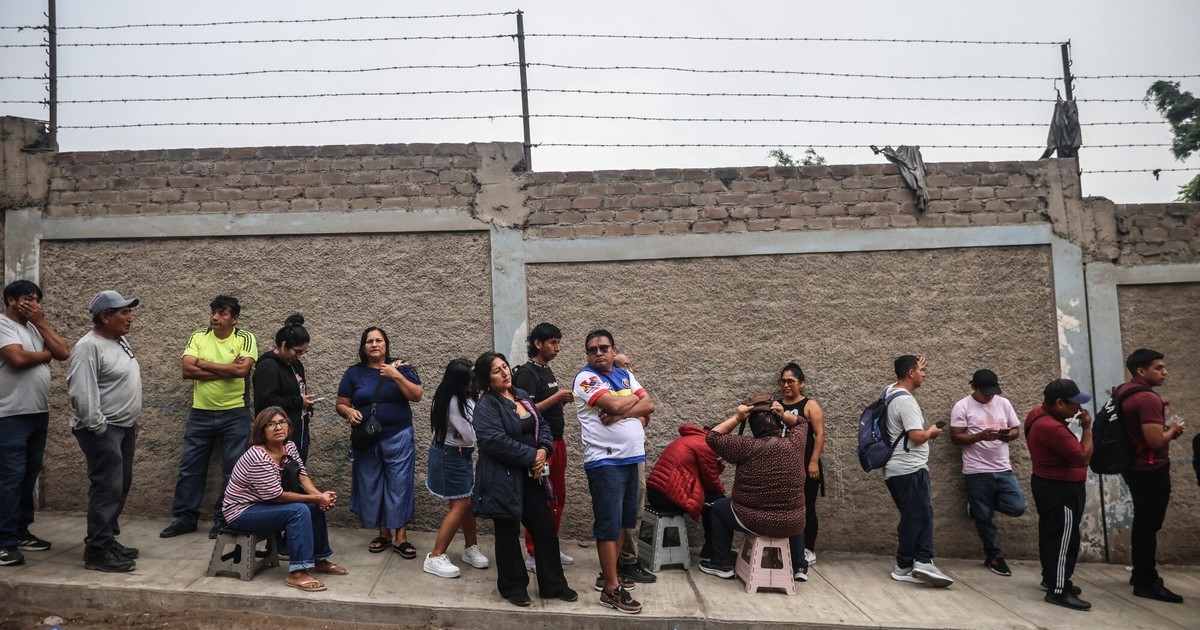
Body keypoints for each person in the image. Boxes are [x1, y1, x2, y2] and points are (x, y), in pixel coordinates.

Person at [472, 352, 576, 607]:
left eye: (505, 366)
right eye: (496, 371)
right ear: (487, 378)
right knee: (507, 534)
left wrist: (543, 450)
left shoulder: (521, 395)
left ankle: (553, 585)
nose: (504, 373)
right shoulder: (487, 405)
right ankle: (513, 587)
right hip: (502, 479)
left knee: (545, 529)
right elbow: (495, 442)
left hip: (531, 478)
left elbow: (543, 425)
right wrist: (532, 456)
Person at [161, 295, 258, 540]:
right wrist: (228, 370)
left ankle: (224, 519)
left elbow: (242, 370)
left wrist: (203, 364)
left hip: (235, 413)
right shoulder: (198, 336)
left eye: (222, 313)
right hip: (200, 412)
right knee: (190, 467)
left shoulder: (245, 338)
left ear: (234, 319)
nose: (215, 317)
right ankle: (185, 518)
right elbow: (187, 370)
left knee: (233, 470)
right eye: (213, 312)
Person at [573, 330, 655, 614]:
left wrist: (622, 413)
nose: (598, 353)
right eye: (592, 349)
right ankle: (610, 590)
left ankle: (609, 576)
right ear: (587, 354)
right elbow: (616, 403)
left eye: (604, 348)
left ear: (613, 349)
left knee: (622, 524)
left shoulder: (624, 374)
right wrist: (630, 402)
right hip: (605, 463)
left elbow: (649, 405)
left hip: (631, 459)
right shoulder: (586, 378)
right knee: (608, 527)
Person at [223, 407, 346, 592]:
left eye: (282, 422)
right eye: (271, 424)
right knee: (299, 510)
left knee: (312, 506)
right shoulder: (258, 456)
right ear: (261, 430)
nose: (278, 427)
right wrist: (317, 498)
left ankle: (319, 560)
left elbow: (302, 476)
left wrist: (320, 497)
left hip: (263, 504)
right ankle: (297, 573)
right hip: (242, 512)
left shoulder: (289, 447)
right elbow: (277, 496)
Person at [68, 291, 142, 572]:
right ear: (105, 317)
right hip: (102, 429)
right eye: (124, 312)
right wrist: (99, 428)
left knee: (120, 485)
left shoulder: (119, 340)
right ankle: (97, 551)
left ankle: (107, 539)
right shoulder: (88, 347)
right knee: (106, 488)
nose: (130, 318)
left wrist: (131, 419)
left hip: (123, 427)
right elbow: (82, 394)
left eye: (129, 312)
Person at [699, 395, 809, 581]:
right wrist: (783, 415)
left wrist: (737, 418)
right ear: (777, 421)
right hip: (793, 523)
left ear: (752, 425)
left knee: (718, 507)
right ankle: (799, 565)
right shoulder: (795, 443)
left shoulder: (744, 446)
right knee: (793, 509)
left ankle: (721, 563)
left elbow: (712, 436)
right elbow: (802, 422)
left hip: (753, 520)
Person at [0, 280, 71, 567]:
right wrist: (45, 355)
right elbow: (17, 358)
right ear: (11, 300)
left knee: (29, 475)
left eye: (38, 300)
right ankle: (4, 542)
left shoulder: (32, 327)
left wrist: (41, 323)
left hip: (37, 413)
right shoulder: (3, 325)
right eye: (29, 299)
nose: (35, 305)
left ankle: (20, 531)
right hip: (9, 415)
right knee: (11, 477)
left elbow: (63, 352)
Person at [335, 327, 422, 558]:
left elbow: (417, 395)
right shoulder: (354, 373)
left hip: (398, 435)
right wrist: (348, 412)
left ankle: (401, 537)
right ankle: (383, 533)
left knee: (400, 484)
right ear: (363, 347)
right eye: (369, 341)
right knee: (371, 484)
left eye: (379, 341)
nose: (374, 345)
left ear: (386, 344)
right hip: (368, 438)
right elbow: (341, 403)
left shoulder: (402, 367)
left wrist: (396, 375)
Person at [1117, 348, 1187, 603]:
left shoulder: (1124, 391)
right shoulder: (1147, 398)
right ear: (1141, 371)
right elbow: (1155, 441)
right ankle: (1146, 582)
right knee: (1149, 525)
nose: (1164, 372)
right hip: (1150, 468)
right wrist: (1173, 429)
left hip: (1134, 466)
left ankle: (1141, 574)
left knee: (1143, 522)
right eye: (1158, 368)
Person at [883, 355, 953, 587]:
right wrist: (931, 432)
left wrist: (912, 368)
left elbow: (901, 378)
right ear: (910, 373)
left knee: (917, 515)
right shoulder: (906, 402)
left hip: (897, 469)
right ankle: (907, 564)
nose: (924, 374)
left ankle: (921, 560)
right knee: (917, 516)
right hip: (909, 468)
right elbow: (916, 436)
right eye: (921, 371)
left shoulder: (889, 392)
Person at [1024, 378, 1094, 611]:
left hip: (1047, 484)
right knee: (1065, 539)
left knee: (1052, 534)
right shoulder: (1052, 427)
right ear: (1059, 403)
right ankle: (1059, 590)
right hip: (1061, 488)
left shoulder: (1036, 414)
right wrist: (1087, 428)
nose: (1079, 408)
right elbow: (1083, 457)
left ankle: (1051, 579)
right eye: (1074, 403)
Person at [949, 369, 1025, 577]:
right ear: (974, 387)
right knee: (984, 518)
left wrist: (1008, 435)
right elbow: (955, 438)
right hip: (976, 470)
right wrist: (980, 436)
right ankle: (993, 556)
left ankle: (977, 506)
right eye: (986, 392)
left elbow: (1016, 429)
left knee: (1017, 506)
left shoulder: (1004, 403)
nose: (990, 396)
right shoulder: (962, 406)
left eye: (993, 391)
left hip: (1003, 468)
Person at [512, 323, 575, 570]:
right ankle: (534, 553)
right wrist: (556, 397)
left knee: (557, 498)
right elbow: (525, 410)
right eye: (553, 343)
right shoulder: (527, 373)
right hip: (541, 447)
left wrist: (559, 403)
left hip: (557, 443)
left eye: (558, 343)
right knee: (540, 501)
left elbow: (544, 405)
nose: (557, 348)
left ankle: (550, 547)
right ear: (538, 344)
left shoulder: (546, 370)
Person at [423, 358, 489, 578]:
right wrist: (479, 429)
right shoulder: (453, 401)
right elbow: (471, 436)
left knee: (466, 503)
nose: (475, 382)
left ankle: (471, 547)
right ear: (459, 382)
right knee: (461, 505)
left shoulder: (467, 397)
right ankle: (435, 556)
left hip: (461, 455)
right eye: (471, 379)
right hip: (449, 457)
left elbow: (470, 433)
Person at [645, 423, 725, 560]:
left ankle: (712, 548)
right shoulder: (706, 446)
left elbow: (705, 473)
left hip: (656, 493)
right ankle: (712, 550)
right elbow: (711, 481)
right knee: (717, 501)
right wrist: (723, 493)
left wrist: (717, 463)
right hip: (666, 497)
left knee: (713, 498)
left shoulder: (693, 438)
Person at [610, 350, 656, 585]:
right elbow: (613, 413)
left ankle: (627, 559)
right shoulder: (610, 390)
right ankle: (623, 562)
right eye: (622, 366)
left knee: (635, 507)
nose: (628, 370)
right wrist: (631, 412)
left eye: (629, 365)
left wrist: (624, 414)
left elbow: (647, 412)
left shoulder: (632, 388)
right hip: (619, 458)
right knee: (619, 510)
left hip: (636, 454)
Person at [777, 362, 826, 566]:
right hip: (782, 466)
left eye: (791, 381)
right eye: (783, 381)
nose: (786, 385)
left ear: (801, 383)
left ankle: (808, 549)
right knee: (784, 507)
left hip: (806, 463)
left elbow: (820, 434)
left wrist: (813, 461)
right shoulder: (776, 405)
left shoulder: (809, 405)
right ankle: (787, 547)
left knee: (807, 506)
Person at [253, 314, 316, 461]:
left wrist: (308, 407)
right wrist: (298, 402)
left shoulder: (296, 365)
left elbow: (299, 391)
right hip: (277, 439)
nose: (299, 356)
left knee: (297, 472)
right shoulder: (268, 366)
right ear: (283, 344)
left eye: (303, 352)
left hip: (298, 433)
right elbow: (266, 403)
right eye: (297, 351)